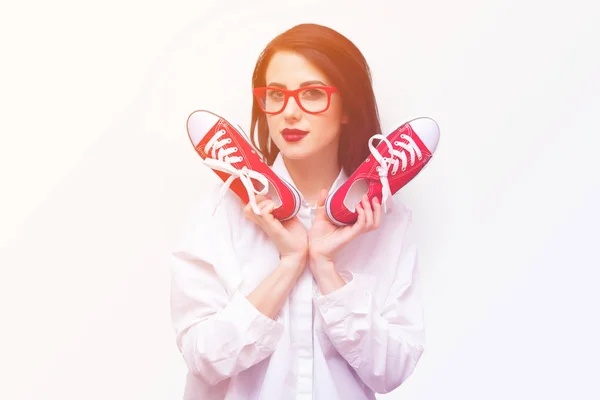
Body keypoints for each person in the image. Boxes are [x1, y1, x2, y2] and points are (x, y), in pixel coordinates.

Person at [170, 23, 426, 400]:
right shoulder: (218, 213)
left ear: (346, 109)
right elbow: (203, 359)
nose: (289, 112)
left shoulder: (387, 220)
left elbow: (391, 371)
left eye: (312, 93)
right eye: (276, 95)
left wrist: (326, 269)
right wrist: (289, 262)